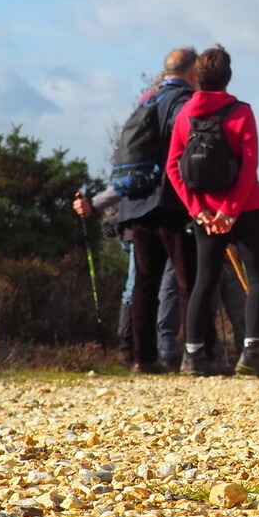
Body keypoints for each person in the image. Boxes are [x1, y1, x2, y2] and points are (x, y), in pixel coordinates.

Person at [165, 45, 259, 380]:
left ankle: (192, 356)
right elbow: (249, 167)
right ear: (227, 77)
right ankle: (252, 352)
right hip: (244, 207)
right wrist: (231, 211)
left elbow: (173, 167)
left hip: (204, 211)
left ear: (197, 77)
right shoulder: (240, 111)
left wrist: (198, 209)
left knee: (205, 279)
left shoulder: (185, 114)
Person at [76, 49, 197, 373]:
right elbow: (187, 148)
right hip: (171, 202)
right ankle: (193, 355)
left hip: (135, 204)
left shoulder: (147, 100)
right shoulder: (185, 100)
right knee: (188, 281)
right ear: (193, 72)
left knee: (144, 283)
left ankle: (141, 359)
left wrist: (101, 202)